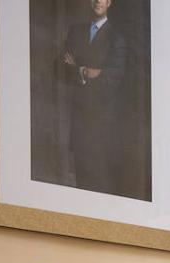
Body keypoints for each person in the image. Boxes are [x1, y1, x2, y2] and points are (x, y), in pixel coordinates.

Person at [60, 0, 128, 195]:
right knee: (81, 183)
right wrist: (88, 71)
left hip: (101, 124)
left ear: (109, 3)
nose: (98, 1)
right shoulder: (76, 31)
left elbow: (112, 79)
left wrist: (78, 68)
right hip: (79, 118)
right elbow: (61, 68)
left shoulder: (117, 39)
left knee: (98, 185)